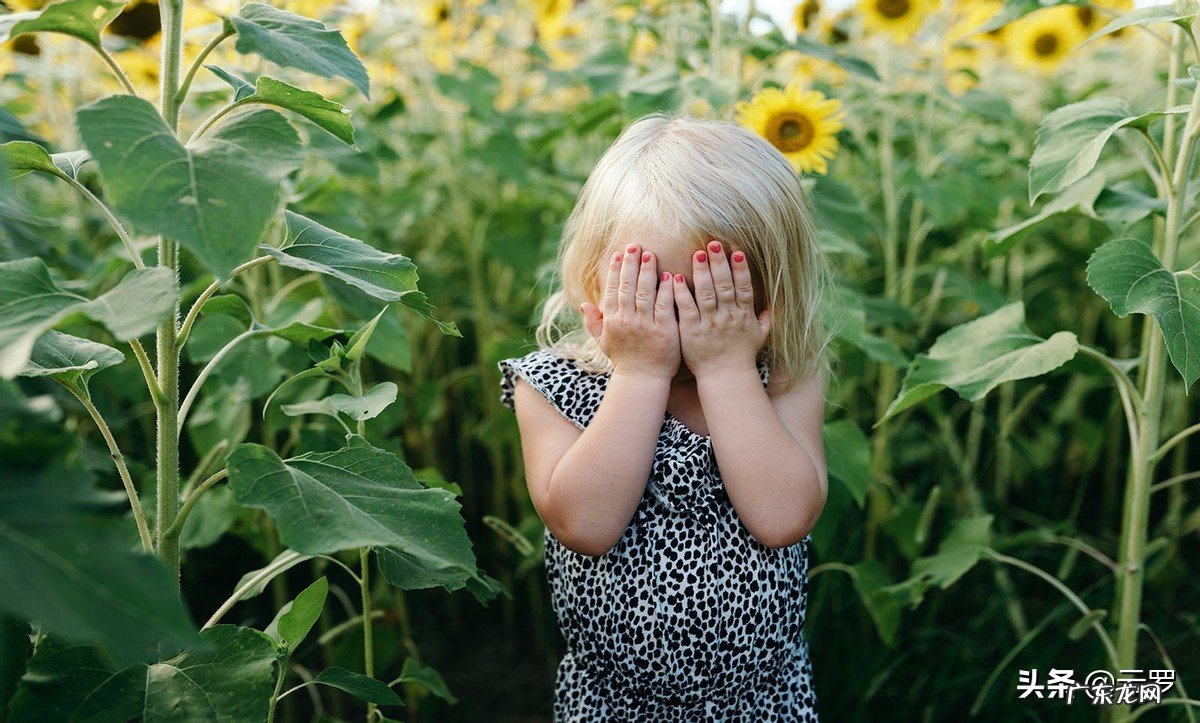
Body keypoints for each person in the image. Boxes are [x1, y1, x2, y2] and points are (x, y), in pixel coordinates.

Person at [496, 111, 831, 722]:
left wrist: (726, 370)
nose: (679, 326)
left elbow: (784, 518)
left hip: (762, 701)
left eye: (711, 299)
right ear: (594, 282)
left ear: (771, 295)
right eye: (650, 296)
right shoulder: (552, 385)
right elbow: (585, 524)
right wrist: (640, 374)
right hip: (613, 703)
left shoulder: (785, 376)